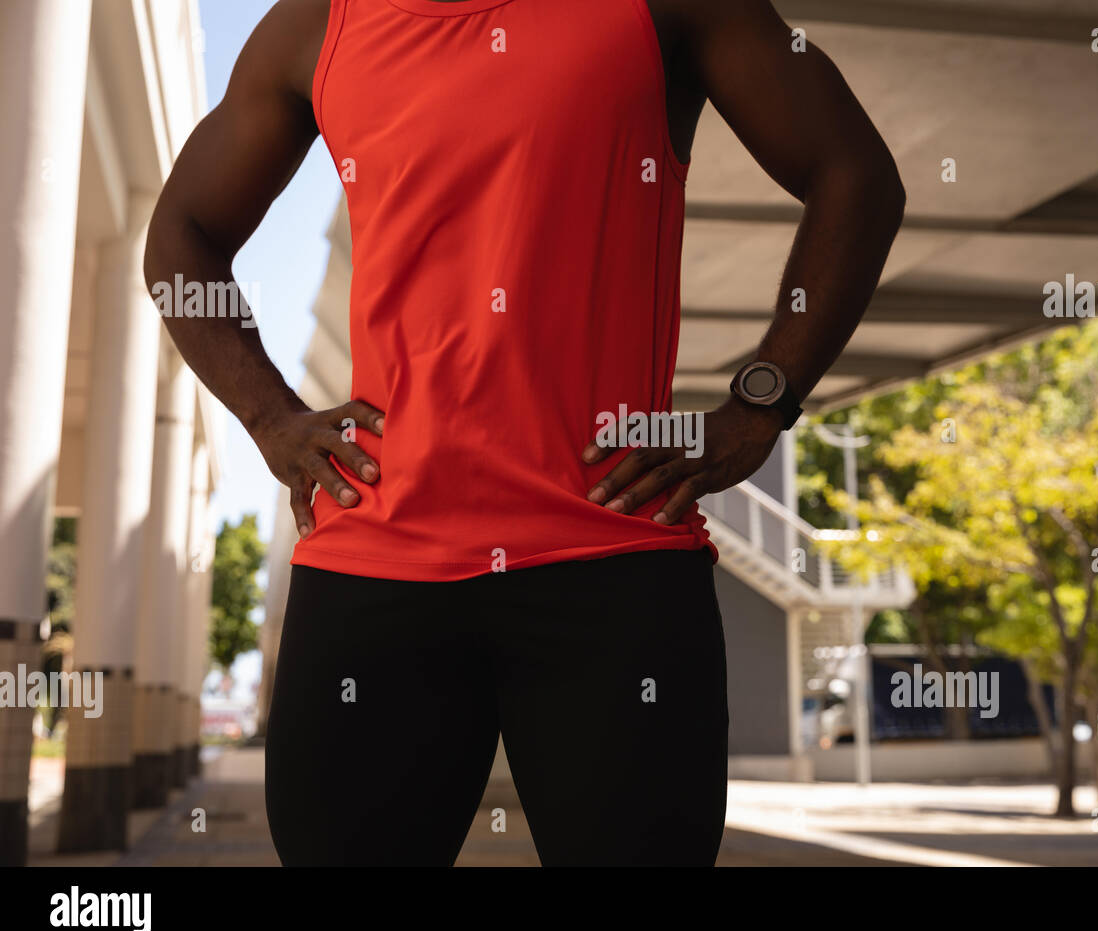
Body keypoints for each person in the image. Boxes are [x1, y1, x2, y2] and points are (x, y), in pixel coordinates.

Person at [144, 0, 904, 866]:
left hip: (611, 560)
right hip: (376, 563)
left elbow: (856, 175)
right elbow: (182, 234)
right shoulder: (320, 21)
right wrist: (270, 417)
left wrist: (763, 402)